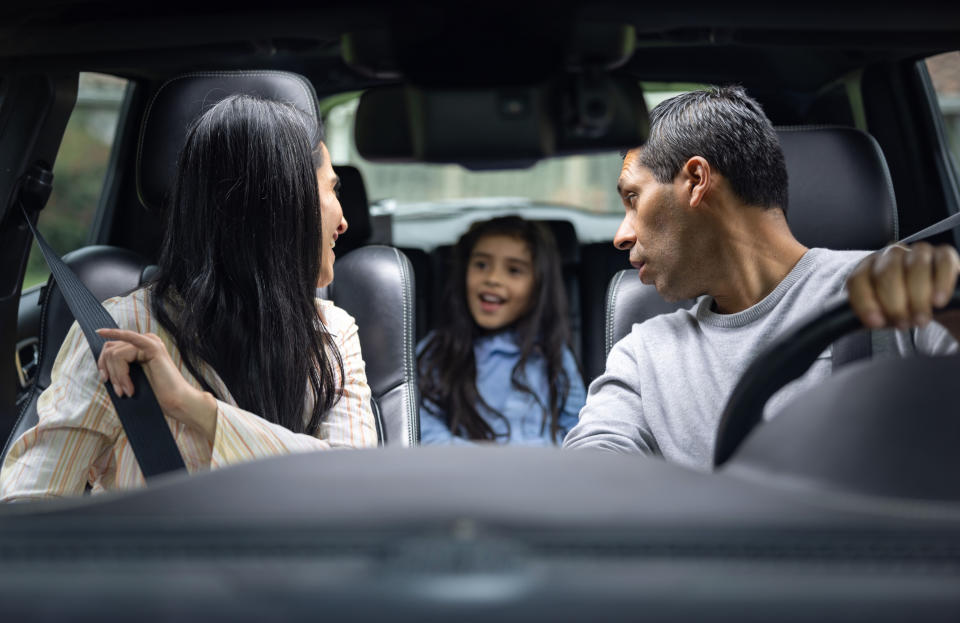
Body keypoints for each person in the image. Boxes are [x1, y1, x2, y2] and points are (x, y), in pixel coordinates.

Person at [0, 94, 378, 501]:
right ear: (283, 210)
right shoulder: (119, 336)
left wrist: (195, 409)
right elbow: (26, 508)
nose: (343, 220)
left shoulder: (333, 334)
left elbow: (355, 485)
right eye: (331, 191)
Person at [563, 86, 960, 470]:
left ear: (696, 180)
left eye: (633, 198)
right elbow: (591, 462)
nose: (622, 235)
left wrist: (946, 307)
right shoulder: (643, 352)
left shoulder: (893, 286)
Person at [417, 216, 586, 445]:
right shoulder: (437, 351)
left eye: (514, 270)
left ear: (538, 286)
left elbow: (578, 433)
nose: (493, 279)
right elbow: (424, 431)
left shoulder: (554, 355)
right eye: (481, 265)